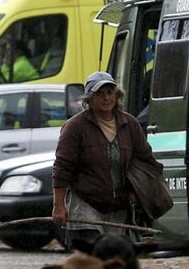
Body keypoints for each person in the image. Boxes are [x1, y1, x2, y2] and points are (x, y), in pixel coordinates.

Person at [52, 71, 160, 250]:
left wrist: (143, 191)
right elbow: (62, 168)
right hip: (85, 203)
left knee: (112, 257)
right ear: (89, 99)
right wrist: (59, 206)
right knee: (91, 254)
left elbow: (145, 159)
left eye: (110, 92)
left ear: (117, 96)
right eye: (100, 94)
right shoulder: (75, 127)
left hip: (118, 205)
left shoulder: (129, 124)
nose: (106, 98)